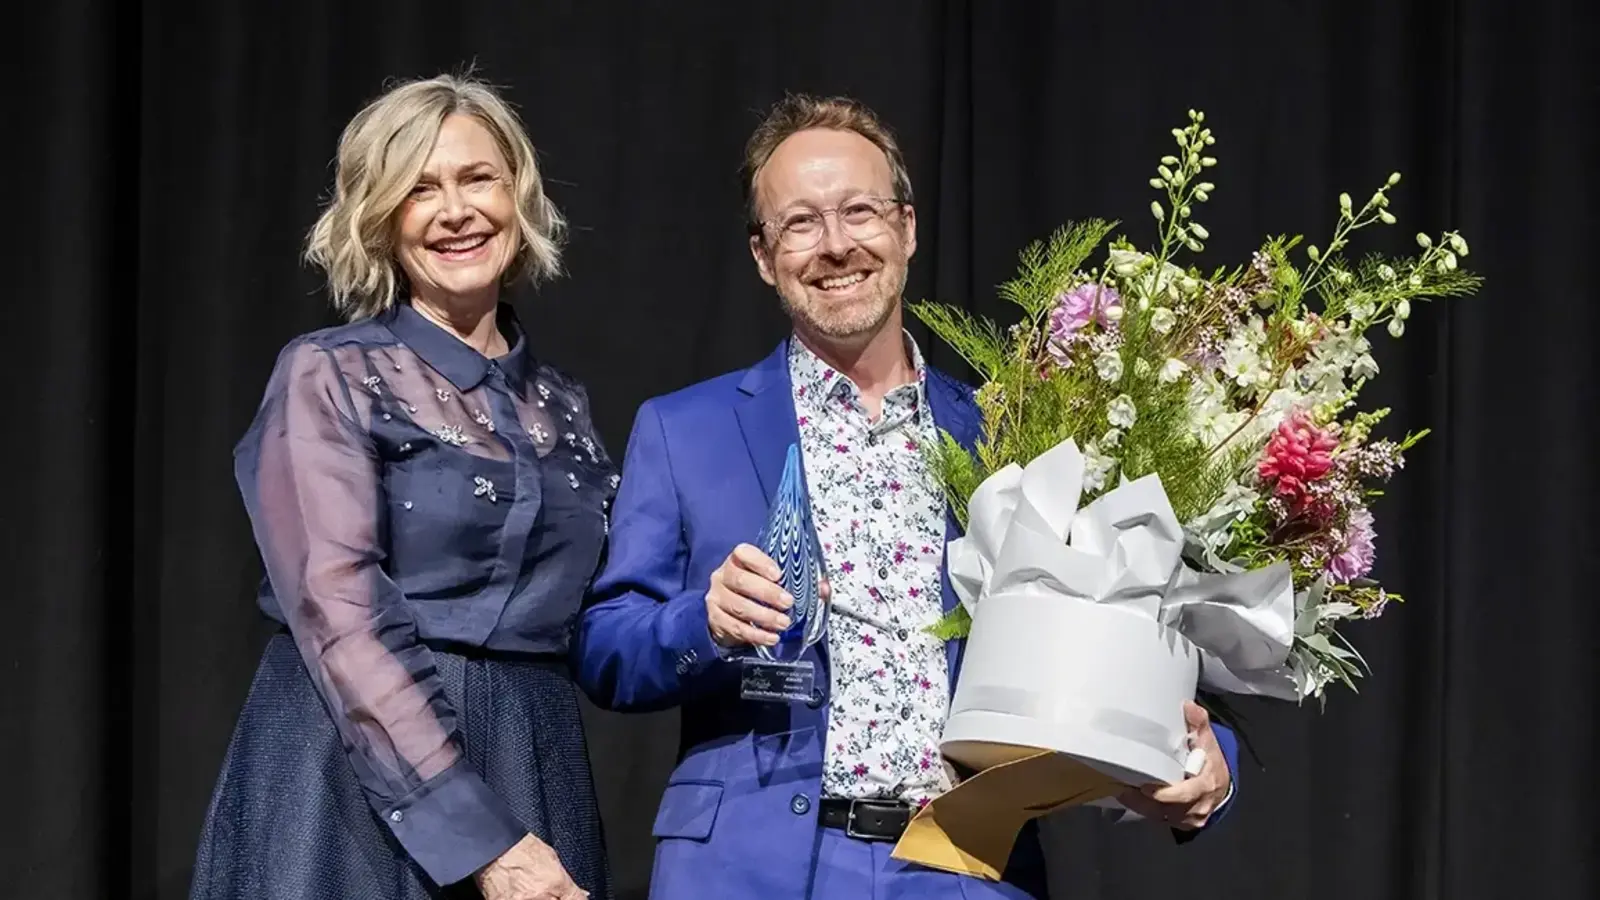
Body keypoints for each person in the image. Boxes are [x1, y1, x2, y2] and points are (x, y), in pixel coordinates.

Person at [573, 94, 1240, 900]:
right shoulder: (686, 429)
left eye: (860, 211)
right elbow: (606, 649)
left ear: (907, 227)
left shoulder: (1011, 428)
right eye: (800, 223)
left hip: (964, 867)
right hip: (751, 869)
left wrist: (1211, 764)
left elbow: (1135, 625)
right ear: (763, 254)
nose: (836, 244)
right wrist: (703, 623)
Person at [191, 74, 612, 900]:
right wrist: (481, 839)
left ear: (519, 196)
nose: (455, 210)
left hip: (536, 761)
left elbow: (598, 615)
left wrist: (705, 623)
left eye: (477, 178)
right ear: (380, 219)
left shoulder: (563, 404)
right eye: (419, 189)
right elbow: (336, 610)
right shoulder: (329, 373)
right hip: (352, 781)